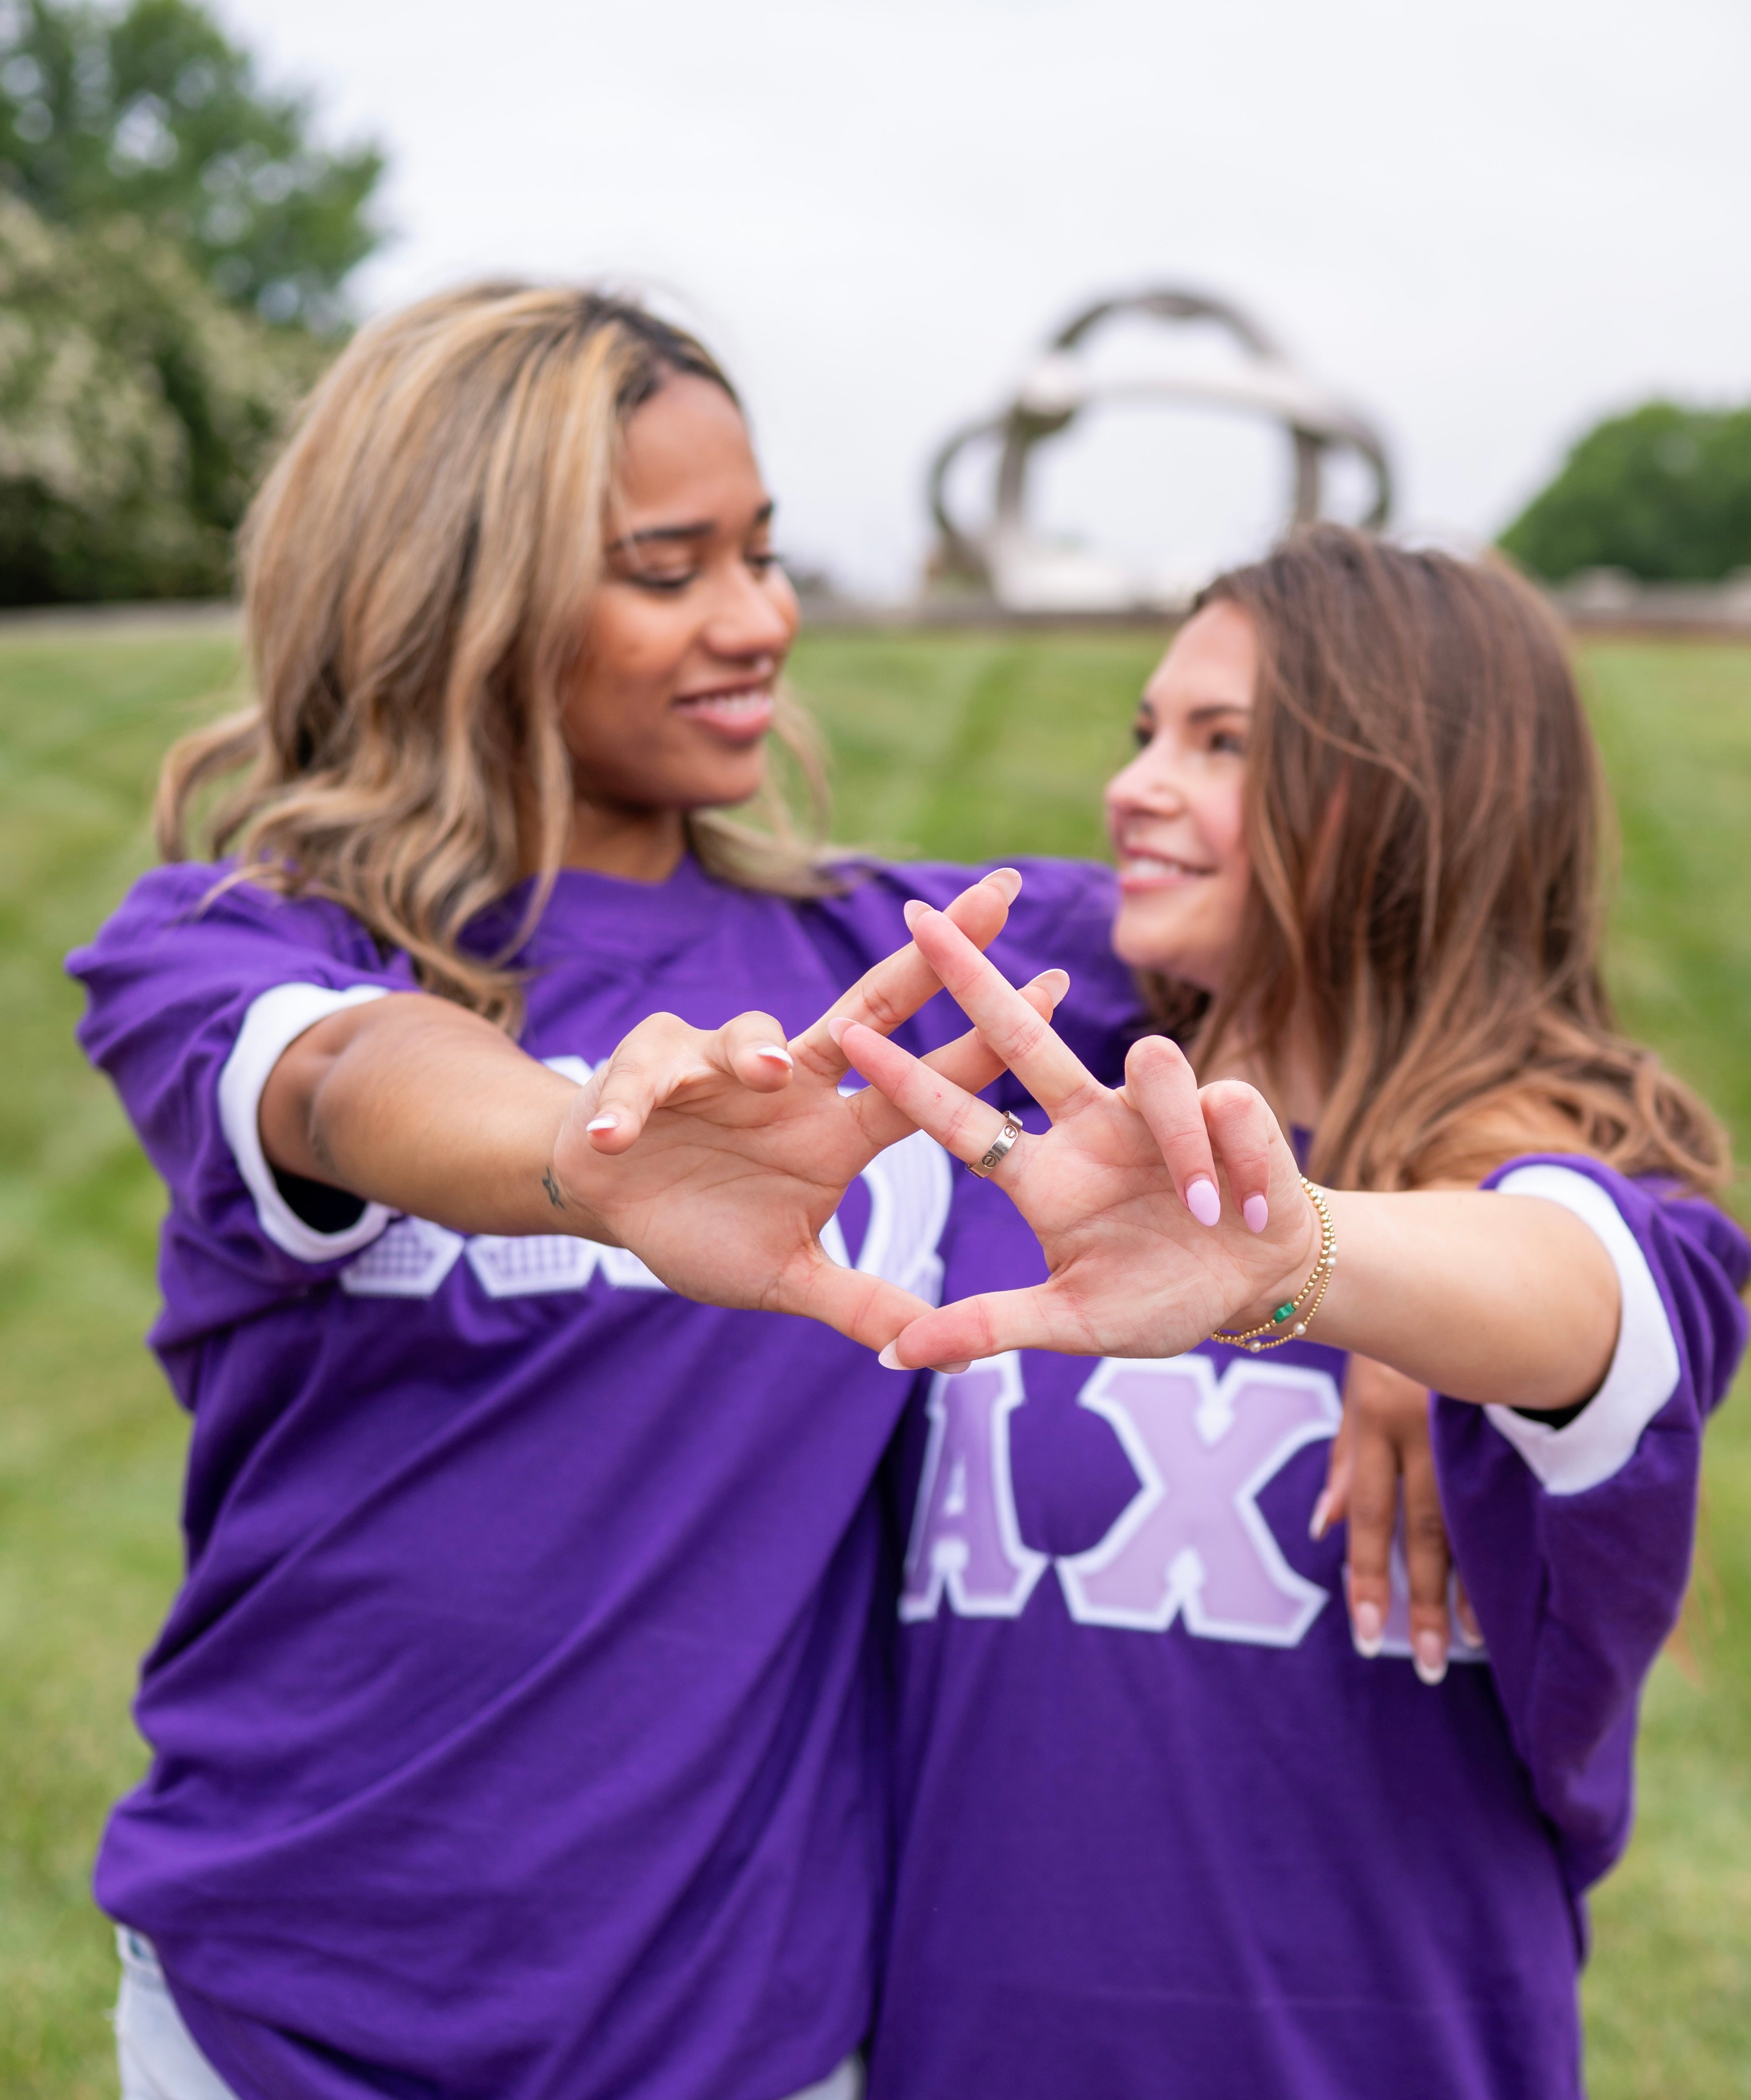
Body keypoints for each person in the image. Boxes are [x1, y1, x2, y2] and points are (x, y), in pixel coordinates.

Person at [67, 282, 1146, 2100]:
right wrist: (580, 1160)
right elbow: (338, 1076)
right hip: (290, 2015)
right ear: (455, 600)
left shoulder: (895, 957)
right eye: (670, 570)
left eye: (765, 553)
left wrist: (1340, 1288)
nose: (760, 620)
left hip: (738, 2030)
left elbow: (1347, 930)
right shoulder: (231, 946)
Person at [821, 531, 1751, 2098]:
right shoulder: (1072, 1119)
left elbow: (1584, 1292)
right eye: (1143, 733)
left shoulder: (1559, 1215)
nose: (1134, 784)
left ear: (1413, 801)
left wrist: (1318, 1254)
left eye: (1223, 743)